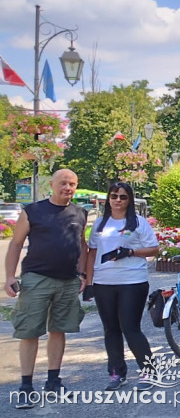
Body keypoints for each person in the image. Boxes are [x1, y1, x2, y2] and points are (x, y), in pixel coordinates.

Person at [4, 169, 88, 409]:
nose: (67, 188)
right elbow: (16, 244)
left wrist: (82, 274)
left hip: (68, 281)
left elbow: (82, 246)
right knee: (30, 331)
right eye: (63, 183)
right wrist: (10, 276)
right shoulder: (33, 211)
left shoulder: (80, 213)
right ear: (51, 184)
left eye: (72, 184)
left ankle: (53, 381)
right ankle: (26, 387)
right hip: (36, 279)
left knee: (59, 330)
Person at [84, 182, 160, 392]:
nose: (118, 200)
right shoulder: (100, 223)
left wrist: (130, 252)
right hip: (103, 283)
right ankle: (116, 372)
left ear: (130, 200)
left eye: (123, 197)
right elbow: (92, 253)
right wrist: (89, 282)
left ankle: (148, 370)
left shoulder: (138, 223)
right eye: (114, 196)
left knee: (130, 328)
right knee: (111, 330)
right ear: (108, 198)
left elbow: (154, 249)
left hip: (132, 282)